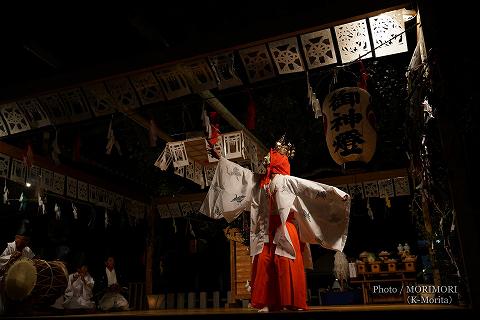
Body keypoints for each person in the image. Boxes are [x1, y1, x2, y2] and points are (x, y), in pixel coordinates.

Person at [200, 136, 351, 312]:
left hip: (285, 226)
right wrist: (220, 159)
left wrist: (336, 195)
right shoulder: (259, 182)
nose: (266, 161)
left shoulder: (287, 181)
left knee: (285, 262)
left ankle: (292, 302)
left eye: (270, 158)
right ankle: (265, 302)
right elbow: (239, 176)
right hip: (265, 228)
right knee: (263, 262)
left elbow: (312, 189)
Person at [0, 219, 35, 315]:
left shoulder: (27, 250)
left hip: (21, 279)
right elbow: (0, 261)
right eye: (23, 240)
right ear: (16, 238)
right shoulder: (9, 247)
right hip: (4, 279)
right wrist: (11, 258)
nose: (25, 243)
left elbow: (34, 262)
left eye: (27, 241)